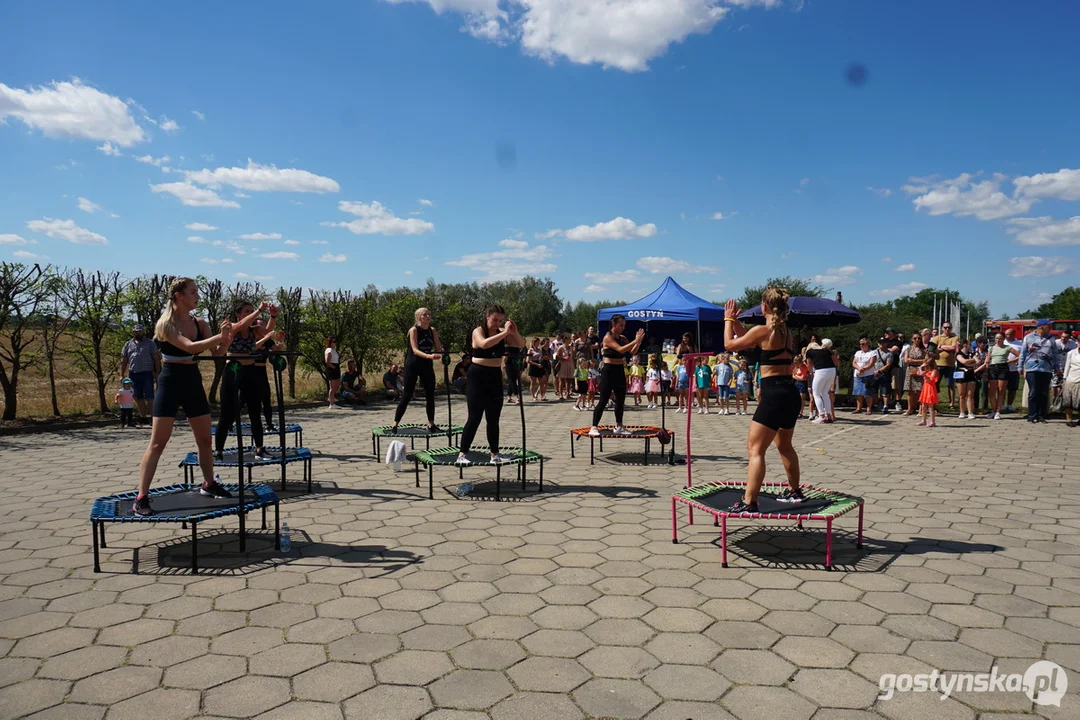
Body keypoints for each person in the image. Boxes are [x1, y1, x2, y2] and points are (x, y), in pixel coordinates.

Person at [135, 277, 233, 516]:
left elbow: (217, 353)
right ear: (178, 295)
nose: (197, 295)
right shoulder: (166, 324)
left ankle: (209, 484)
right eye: (192, 291)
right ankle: (141, 497)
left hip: (191, 378)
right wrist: (220, 337)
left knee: (205, 440)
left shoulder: (199, 322)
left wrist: (226, 338)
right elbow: (189, 347)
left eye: (197, 291)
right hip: (170, 380)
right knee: (158, 442)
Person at [722, 289, 803, 513]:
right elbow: (749, 339)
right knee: (785, 446)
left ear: (764, 307)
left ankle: (749, 502)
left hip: (774, 396)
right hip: (790, 394)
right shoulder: (784, 331)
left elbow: (729, 345)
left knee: (755, 450)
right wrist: (737, 322)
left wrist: (728, 320)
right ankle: (795, 491)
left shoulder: (764, 330)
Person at [456, 305, 525, 465]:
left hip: (494, 375)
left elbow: (520, 345)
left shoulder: (502, 333)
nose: (497, 323)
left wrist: (513, 332)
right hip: (478, 374)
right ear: (487, 316)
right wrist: (505, 333)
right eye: (495, 320)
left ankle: (495, 454)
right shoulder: (478, 331)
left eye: (500, 320)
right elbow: (484, 344)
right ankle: (462, 454)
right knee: (474, 416)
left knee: (493, 418)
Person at [215, 302, 279, 461]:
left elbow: (268, 331)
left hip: (251, 371)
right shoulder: (232, 327)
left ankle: (259, 449)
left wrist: (273, 316)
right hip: (233, 371)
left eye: (252, 311)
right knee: (227, 413)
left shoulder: (254, 330)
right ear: (238, 314)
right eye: (247, 311)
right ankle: (219, 451)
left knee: (255, 412)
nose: (252, 314)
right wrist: (258, 310)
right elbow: (242, 324)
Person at [587, 314, 645, 436]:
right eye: (621, 325)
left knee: (620, 400)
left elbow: (632, 351)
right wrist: (635, 340)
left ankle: (619, 425)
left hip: (619, 370)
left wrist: (638, 342)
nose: (623, 327)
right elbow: (620, 350)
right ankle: (594, 427)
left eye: (624, 325)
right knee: (603, 400)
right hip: (608, 370)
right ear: (613, 324)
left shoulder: (622, 337)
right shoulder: (608, 337)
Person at [391, 308, 444, 433]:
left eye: (429, 314)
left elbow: (437, 347)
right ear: (419, 317)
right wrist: (429, 356)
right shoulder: (414, 330)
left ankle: (431, 424)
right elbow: (415, 350)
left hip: (426, 365)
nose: (427, 316)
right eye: (424, 314)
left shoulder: (432, 331)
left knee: (430, 394)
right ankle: (395, 424)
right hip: (413, 364)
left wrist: (441, 351)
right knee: (407, 395)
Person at [1019, 319, 1060, 423]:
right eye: (1048, 326)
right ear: (1041, 327)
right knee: (1033, 392)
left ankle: (1042, 415)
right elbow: (1023, 353)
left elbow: (1055, 354)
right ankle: (1032, 415)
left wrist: (1057, 367)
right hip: (1032, 368)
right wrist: (1020, 367)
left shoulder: (1051, 339)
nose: (1050, 328)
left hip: (1046, 369)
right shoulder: (1028, 337)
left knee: (1044, 392)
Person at [119, 323, 161, 424]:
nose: (138, 333)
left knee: (150, 397)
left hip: (147, 374)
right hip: (133, 374)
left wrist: (158, 372)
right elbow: (124, 360)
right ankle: (143, 417)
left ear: (143, 332)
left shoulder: (150, 343)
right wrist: (121, 374)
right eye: (136, 332)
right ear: (133, 333)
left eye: (140, 331)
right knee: (138, 397)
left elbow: (156, 359)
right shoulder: (128, 344)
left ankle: (153, 418)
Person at [986, 332, 1019, 420]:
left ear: (1003, 339)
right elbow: (987, 360)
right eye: (996, 338)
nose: (998, 340)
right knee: (992, 391)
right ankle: (993, 410)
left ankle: (998, 411)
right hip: (993, 368)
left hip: (1003, 368)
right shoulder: (991, 348)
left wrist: (1009, 361)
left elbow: (1019, 355)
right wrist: (986, 371)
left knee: (1001, 390)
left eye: (1000, 338)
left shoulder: (1007, 347)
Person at [805, 339, 836, 424]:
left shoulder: (809, 352)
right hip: (832, 370)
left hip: (821, 371)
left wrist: (812, 373)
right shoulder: (825, 350)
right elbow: (834, 359)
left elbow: (809, 365)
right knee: (825, 393)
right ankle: (829, 416)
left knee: (816, 393)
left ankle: (821, 415)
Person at [932, 322, 960, 409]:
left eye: (949, 327)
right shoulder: (936, 338)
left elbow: (953, 348)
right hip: (937, 364)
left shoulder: (955, 337)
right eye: (945, 327)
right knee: (935, 384)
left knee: (950, 384)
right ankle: (934, 402)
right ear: (942, 328)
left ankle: (951, 403)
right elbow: (933, 349)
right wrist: (946, 347)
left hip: (950, 365)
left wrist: (941, 346)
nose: (947, 329)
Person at [901, 332, 927, 416]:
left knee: (920, 390)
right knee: (910, 391)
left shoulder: (924, 350)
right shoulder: (908, 349)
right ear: (912, 340)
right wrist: (917, 360)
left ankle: (921, 409)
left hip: (920, 370)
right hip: (910, 370)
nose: (917, 340)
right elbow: (906, 360)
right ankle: (910, 408)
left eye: (919, 338)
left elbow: (926, 360)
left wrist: (914, 360)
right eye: (915, 338)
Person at [852, 338, 878, 415]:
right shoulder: (858, 353)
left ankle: (869, 408)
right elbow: (854, 362)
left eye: (863, 344)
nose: (861, 345)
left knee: (868, 392)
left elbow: (871, 364)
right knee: (858, 392)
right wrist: (859, 368)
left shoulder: (872, 353)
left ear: (868, 344)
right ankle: (858, 408)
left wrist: (863, 369)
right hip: (858, 374)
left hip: (868, 375)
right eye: (860, 344)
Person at [954, 338, 978, 419]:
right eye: (969, 344)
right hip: (961, 374)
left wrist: (969, 364)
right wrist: (972, 361)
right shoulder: (958, 354)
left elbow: (978, 362)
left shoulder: (972, 353)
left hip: (970, 374)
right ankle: (962, 412)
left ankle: (970, 412)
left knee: (970, 394)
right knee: (962, 394)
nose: (970, 346)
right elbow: (963, 361)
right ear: (964, 345)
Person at [1054, 331, 1078, 407]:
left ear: (1069, 337)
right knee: (1055, 384)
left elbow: (1075, 355)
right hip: (1057, 366)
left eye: (1066, 337)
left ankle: (1061, 403)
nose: (1064, 338)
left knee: (1063, 385)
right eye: (1062, 337)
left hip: (1067, 366)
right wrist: (1056, 368)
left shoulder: (1073, 344)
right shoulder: (1056, 343)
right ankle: (1054, 401)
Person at [1062, 334, 1080, 427]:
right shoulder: (1071, 353)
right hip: (1071, 379)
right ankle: (1069, 419)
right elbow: (1067, 367)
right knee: (1068, 401)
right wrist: (1064, 379)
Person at [873, 337, 895, 415]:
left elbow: (888, 364)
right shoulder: (874, 352)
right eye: (880, 342)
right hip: (874, 373)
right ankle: (875, 405)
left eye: (883, 342)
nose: (881, 344)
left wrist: (879, 371)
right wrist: (874, 370)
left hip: (883, 373)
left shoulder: (889, 353)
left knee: (885, 391)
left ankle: (885, 405)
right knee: (874, 390)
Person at [916, 357, 940, 427]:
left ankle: (932, 421)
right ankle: (923, 420)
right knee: (923, 405)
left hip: (930, 389)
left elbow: (930, 380)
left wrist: (925, 375)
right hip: (925, 388)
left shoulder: (934, 371)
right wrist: (921, 367)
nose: (925, 367)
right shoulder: (926, 371)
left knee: (930, 406)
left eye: (927, 366)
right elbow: (918, 373)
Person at [1004, 327, 1023, 412]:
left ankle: (1009, 405)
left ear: (1014, 334)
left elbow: (1022, 356)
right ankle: (1001, 404)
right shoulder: (1002, 342)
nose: (1008, 336)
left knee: (1012, 389)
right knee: (1002, 388)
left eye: (1009, 334)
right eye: (1006, 334)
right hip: (1003, 369)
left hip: (1014, 369)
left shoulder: (1019, 344)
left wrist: (1012, 361)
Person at [556, 335, 574, 401]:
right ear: (565, 340)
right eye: (569, 339)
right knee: (562, 380)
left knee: (569, 380)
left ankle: (568, 394)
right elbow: (557, 357)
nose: (570, 340)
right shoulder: (561, 347)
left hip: (570, 364)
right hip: (563, 364)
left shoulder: (571, 347)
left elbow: (573, 356)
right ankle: (560, 394)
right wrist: (563, 358)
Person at [792, 355, 809, 419]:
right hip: (796, 383)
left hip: (802, 384)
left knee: (802, 398)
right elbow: (793, 375)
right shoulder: (795, 368)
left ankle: (800, 412)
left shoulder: (804, 367)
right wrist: (797, 376)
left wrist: (796, 376)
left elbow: (803, 378)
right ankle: (796, 411)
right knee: (796, 398)